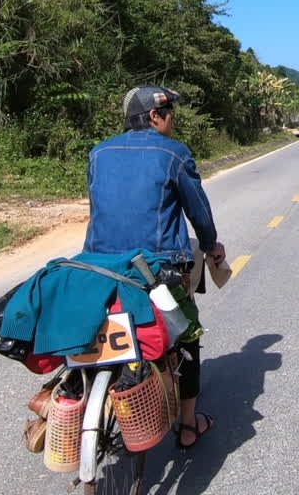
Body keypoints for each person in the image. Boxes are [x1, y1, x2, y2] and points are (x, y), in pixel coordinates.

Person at [83, 84, 227, 450]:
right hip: (156, 267)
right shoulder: (174, 153)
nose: (173, 122)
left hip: (99, 265)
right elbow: (198, 211)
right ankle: (189, 425)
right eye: (170, 115)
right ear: (154, 116)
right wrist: (211, 246)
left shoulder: (99, 153)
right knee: (187, 333)